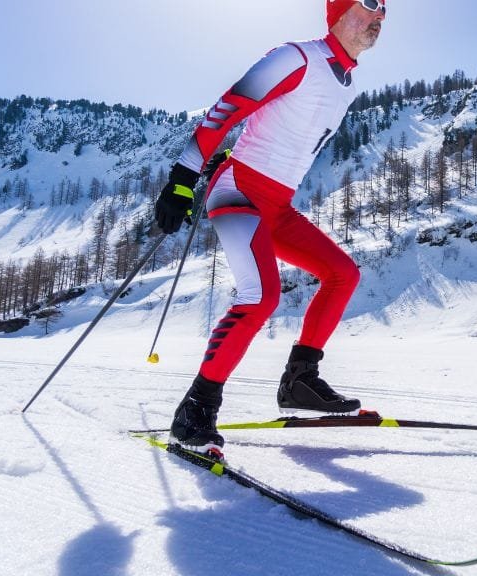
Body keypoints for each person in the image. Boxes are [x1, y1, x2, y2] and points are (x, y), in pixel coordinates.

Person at [154, 0, 387, 456]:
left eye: (382, 16)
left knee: (343, 274)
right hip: (239, 190)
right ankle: (195, 411)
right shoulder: (297, 57)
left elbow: (283, 127)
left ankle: (301, 380)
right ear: (337, 13)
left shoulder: (346, 82)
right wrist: (183, 175)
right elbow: (230, 107)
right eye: (367, 10)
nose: (377, 19)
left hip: (277, 204)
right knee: (260, 295)